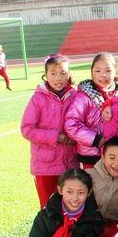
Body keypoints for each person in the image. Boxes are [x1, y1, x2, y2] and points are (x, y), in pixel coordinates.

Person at [21, 54, 78, 207]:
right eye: (53, 73)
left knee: (72, 207)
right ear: (46, 75)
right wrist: (57, 137)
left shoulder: (75, 95)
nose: (58, 78)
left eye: (63, 73)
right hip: (45, 167)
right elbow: (27, 129)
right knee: (48, 210)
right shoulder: (38, 98)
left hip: (70, 164)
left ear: (69, 74)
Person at [65, 52, 118, 169]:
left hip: (117, 156)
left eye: (108, 71)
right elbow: (71, 124)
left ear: (116, 72)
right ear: (92, 73)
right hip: (91, 157)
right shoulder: (84, 97)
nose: (103, 75)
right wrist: (96, 140)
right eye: (97, 71)